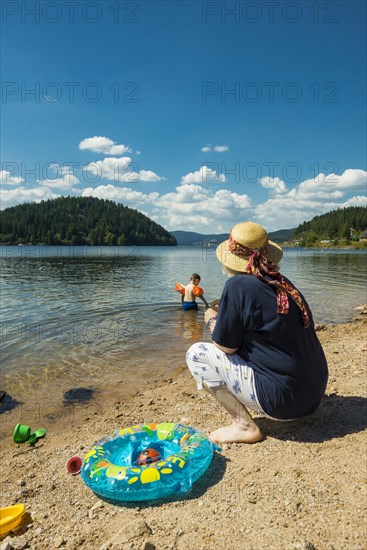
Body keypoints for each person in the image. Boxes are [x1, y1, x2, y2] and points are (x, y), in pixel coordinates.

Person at [186, 222, 328, 444]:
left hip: (283, 403)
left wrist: (211, 318)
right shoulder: (283, 283)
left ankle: (243, 426)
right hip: (312, 396)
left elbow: (225, 347)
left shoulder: (237, 285)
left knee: (196, 353)